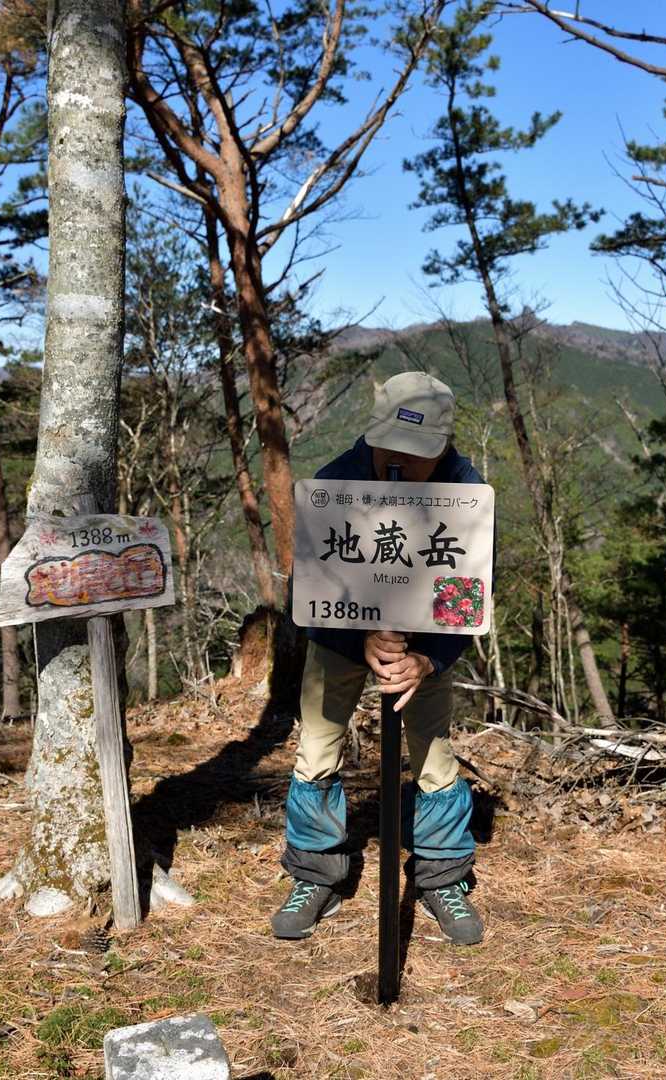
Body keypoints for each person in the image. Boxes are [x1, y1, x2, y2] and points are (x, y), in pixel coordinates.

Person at [272, 371, 486, 945]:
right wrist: (356, 638)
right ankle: (316, 872)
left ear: (444, 444)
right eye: (391, 446)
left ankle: (442, 876)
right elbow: (309, 592)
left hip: (423, 638)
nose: (400, 462)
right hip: (341, 637)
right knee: (317, 748)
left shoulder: (465, 491)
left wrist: (428, 660)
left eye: (418, 452)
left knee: (434, 757)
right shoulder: (336, 483)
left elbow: (467, 598)